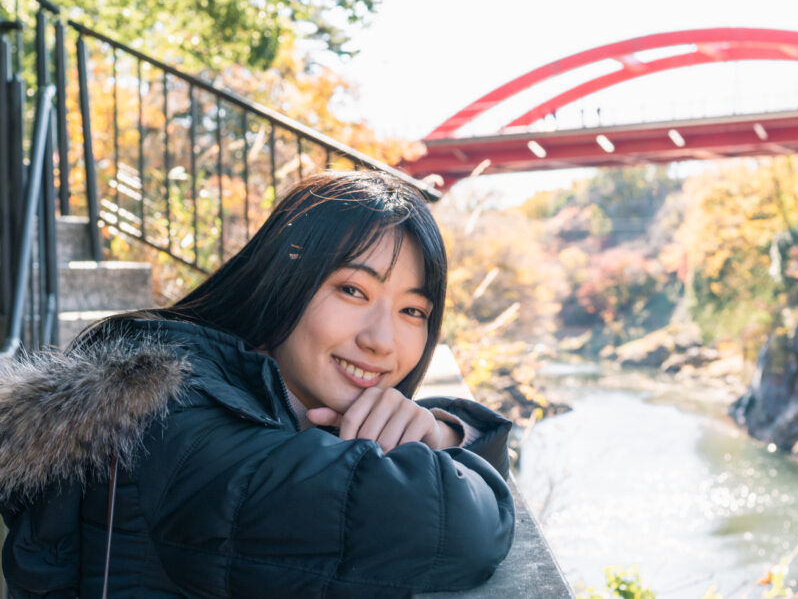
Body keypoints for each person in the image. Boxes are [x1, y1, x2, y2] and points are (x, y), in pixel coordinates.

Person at [0, 170, 515, 597]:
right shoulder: (171, 422)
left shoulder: (266, 401)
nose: (382, 341)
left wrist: (443, 431)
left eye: (411, 310)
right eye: (353, 290)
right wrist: (444, 447)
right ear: (282, 281)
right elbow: (462, 530)